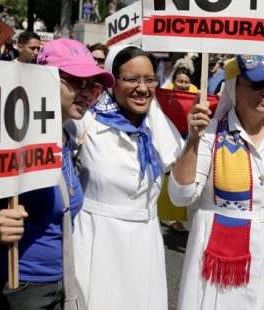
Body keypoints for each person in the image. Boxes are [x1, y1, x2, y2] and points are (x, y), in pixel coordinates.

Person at [0, 38, 113, 309]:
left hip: (59, 282)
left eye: (94, 86)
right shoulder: (8, 132)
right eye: (76, 81)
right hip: (12, 286)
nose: (87, 93)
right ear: (42, 79)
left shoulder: (68, 133)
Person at [170, 55, 264, 309]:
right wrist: (192, 141)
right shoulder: (210, 134)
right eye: (256, 85)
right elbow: (181, 196)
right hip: (220, 272)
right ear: (233, 88)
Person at [67, 44, 183, 309]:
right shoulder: (85, 121)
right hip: (98, 243)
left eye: (150, 79)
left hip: (146, 245)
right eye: (131, 79)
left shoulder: (158, 127)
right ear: (112, 81)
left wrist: (197, 138)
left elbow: (180, 183)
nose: (142, 88)